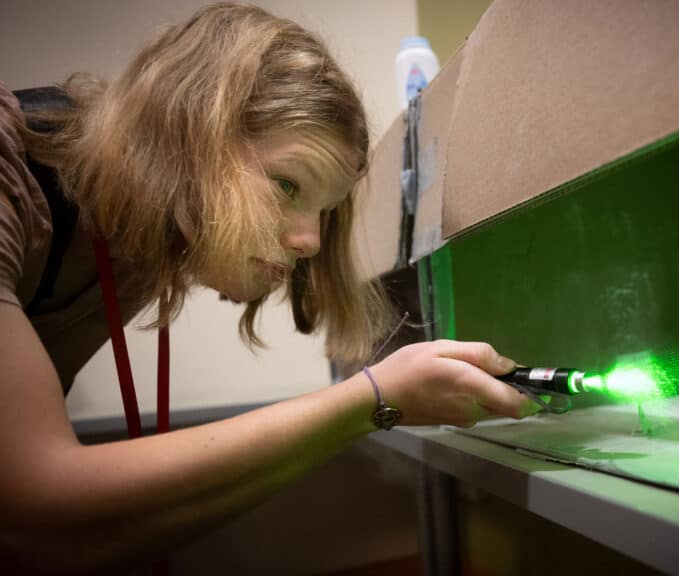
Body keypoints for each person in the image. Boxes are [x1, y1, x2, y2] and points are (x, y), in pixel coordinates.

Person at [0, 3, 539, 573]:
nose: (308, 242)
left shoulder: (140, 237)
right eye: (286, 184)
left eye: (324, 211)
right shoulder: (12, 178)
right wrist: (374, 397)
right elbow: (29, 507)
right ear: (189, 136)